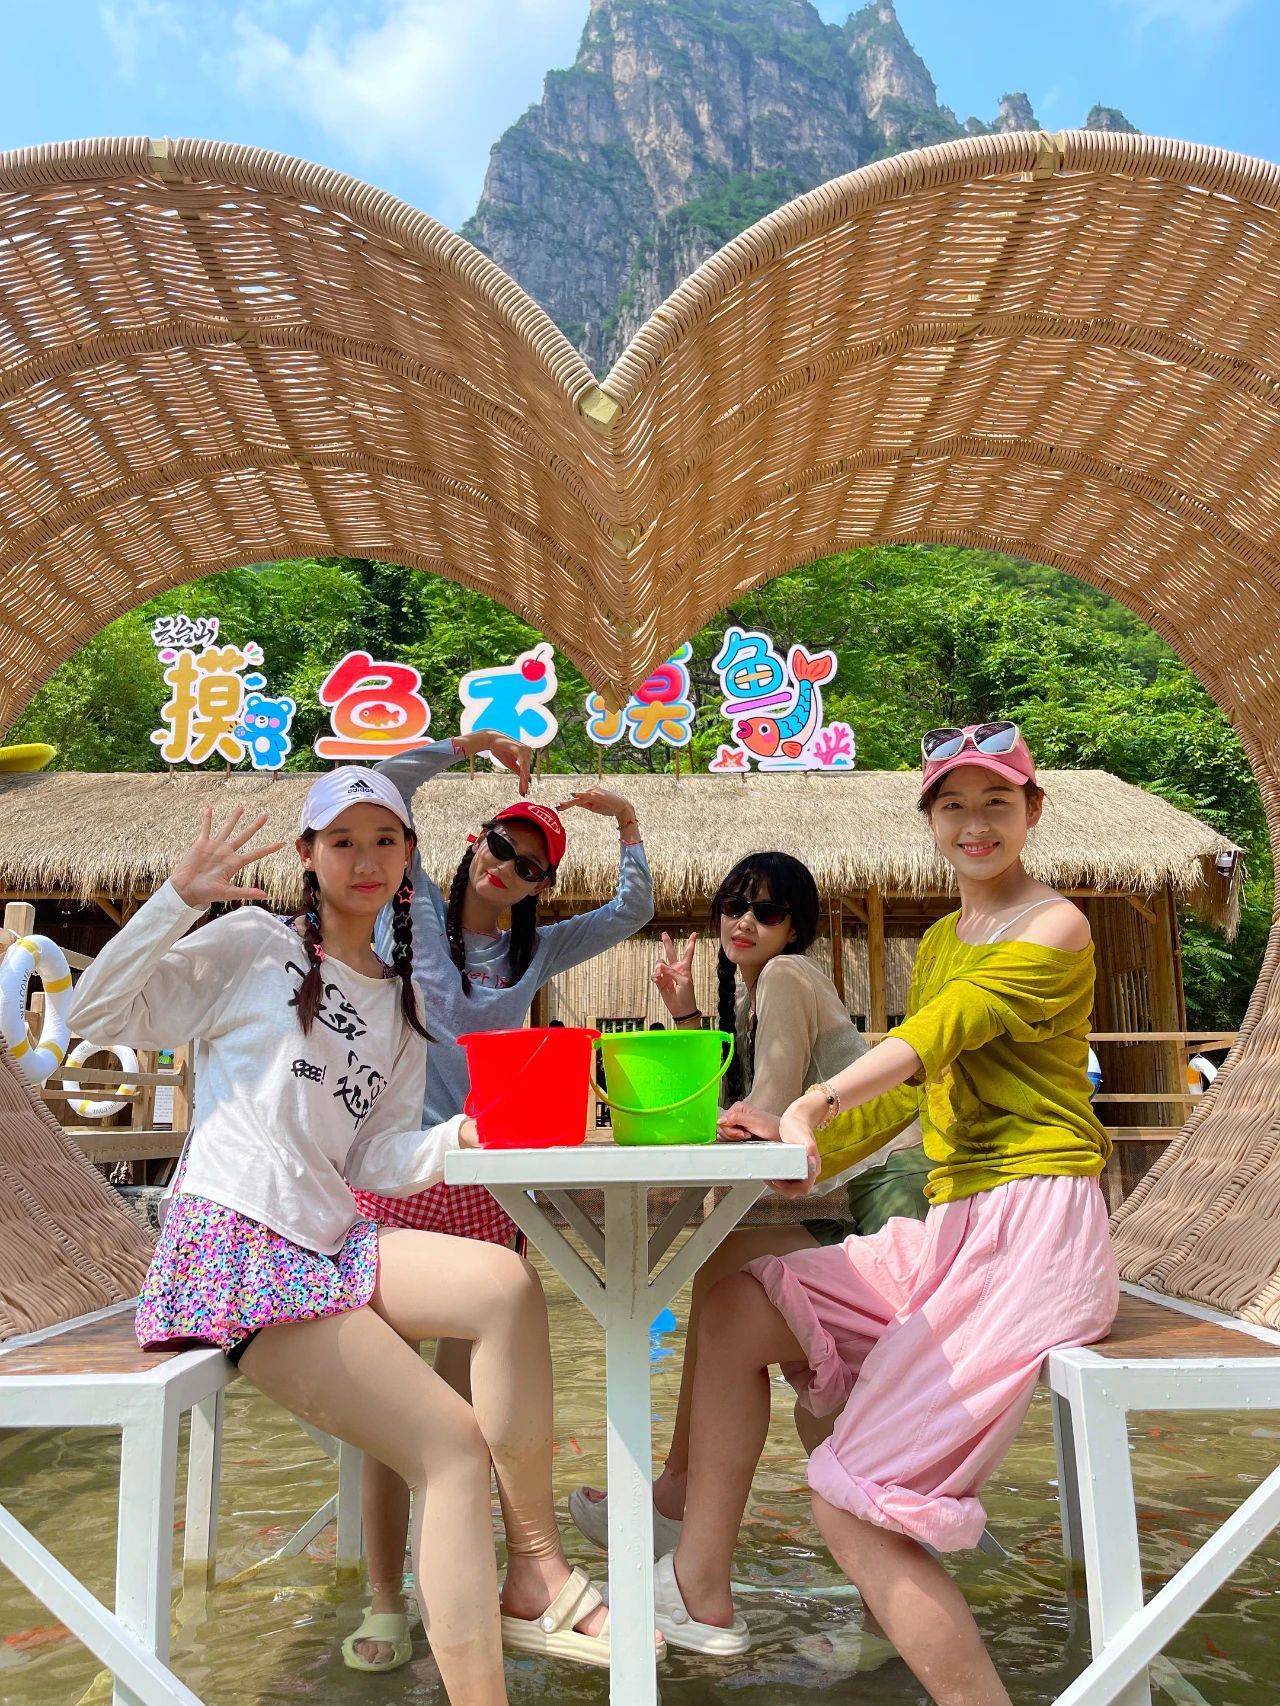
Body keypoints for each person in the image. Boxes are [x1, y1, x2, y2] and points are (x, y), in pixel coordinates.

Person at [69, 770, 658, 1701]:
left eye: (385, 840)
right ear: (308, 855)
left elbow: (376, 1155)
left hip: (328, 1240)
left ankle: (535, 1568)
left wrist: (463, 1137)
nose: (366, 859)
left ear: (410, 856)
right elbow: (93, 1015)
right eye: (342, 840)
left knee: (506, 1283)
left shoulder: (399, 1000)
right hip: (236, 1246)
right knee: (451, 1448)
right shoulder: (256, 945)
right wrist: (175, 899)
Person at [650, 723, 1119, 1706]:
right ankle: (699, 1587)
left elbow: (940, 1030)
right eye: (952, 805)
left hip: (1032, 1232)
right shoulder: (945, 938)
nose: (974, 823)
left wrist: (814, 1102)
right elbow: (911, 1088)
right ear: (929, 820)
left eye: (996, 802)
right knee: (732, 1306)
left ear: (1032, 810)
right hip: (950, 1225)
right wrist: (807, 1151)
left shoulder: (1055, 924)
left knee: (849, 1503)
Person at [347, 729, 654, 1668]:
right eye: (500, 847)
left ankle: (478, 1580)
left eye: (529, 867)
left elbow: (633, 910)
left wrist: (627, 823)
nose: (507, 869)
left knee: (465, 1414)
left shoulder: (537, 951)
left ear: (538, 888)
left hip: (485, 1182)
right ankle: (384, 1597)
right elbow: (380, 788)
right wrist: (462, 743)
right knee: (389, 1416)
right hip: (398, 1172)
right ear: (474, 841)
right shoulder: (409, 910)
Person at [570, 851, 926, 1565]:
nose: (745, 921)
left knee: (717, 1271)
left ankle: (679, 1499)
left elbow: (765, 1108)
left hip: (886, 1200)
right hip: (847, 1196)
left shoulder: (787, 974)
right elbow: (743, 1103)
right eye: (734, 906)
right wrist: (687, 1013)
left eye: (767, 911)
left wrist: (716, 1120)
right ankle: (678, 1490)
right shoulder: (759, 993)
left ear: (794, 928)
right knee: (715, 1269)